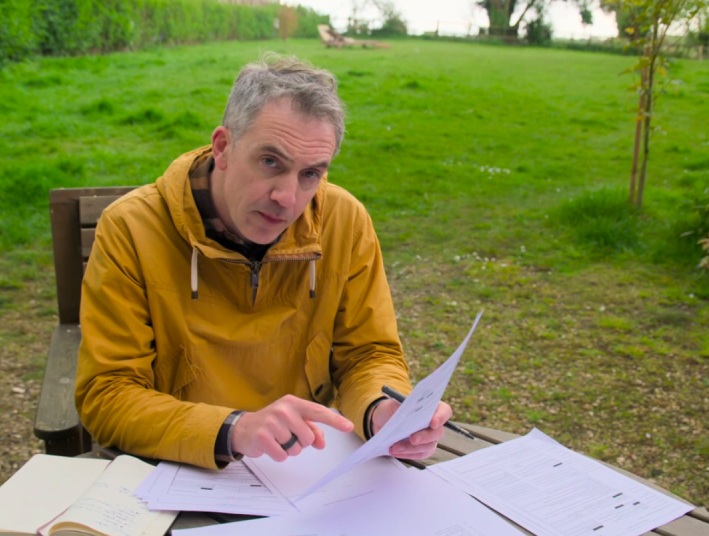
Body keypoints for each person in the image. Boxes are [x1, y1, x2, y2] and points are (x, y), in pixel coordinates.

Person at [75, 54, 452, 470]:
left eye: (311, 174)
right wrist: (234, 428)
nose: (287, 199)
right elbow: (108, 394)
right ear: (223, 147)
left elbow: (367, 354)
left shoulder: (344, 221)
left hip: (305, 467)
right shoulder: (132, 228)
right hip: (179, 465)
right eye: (270, 162)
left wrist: (381, 409)